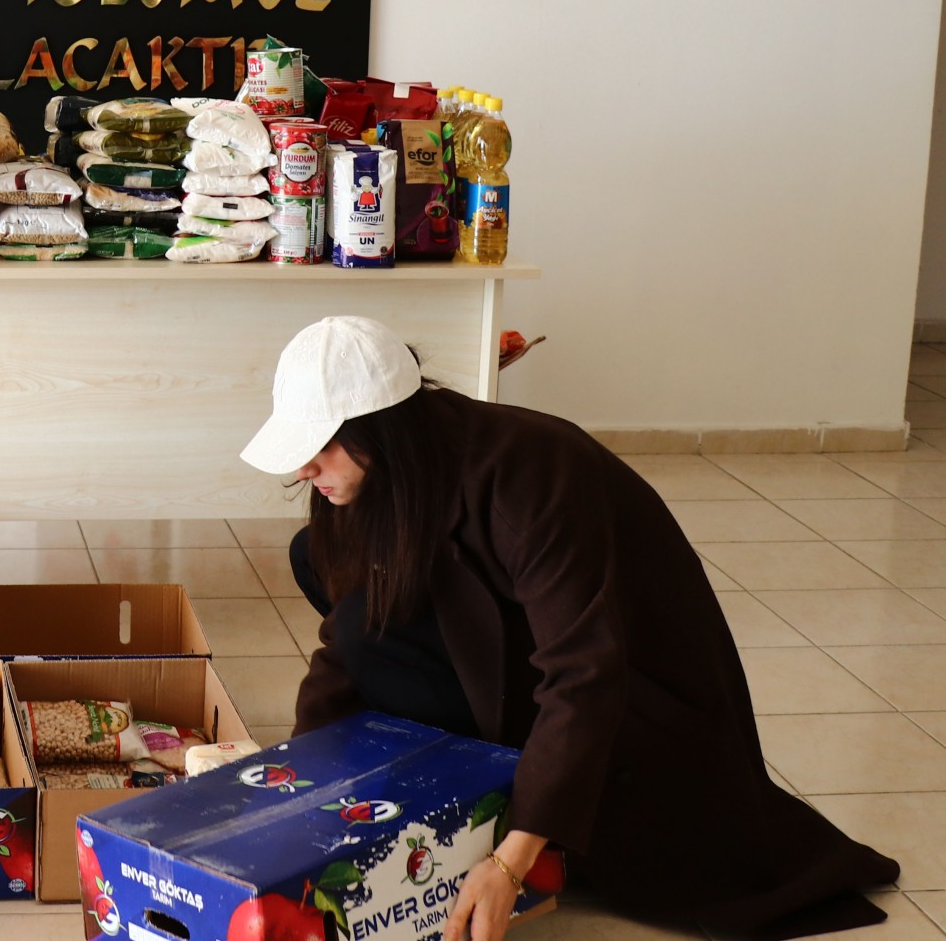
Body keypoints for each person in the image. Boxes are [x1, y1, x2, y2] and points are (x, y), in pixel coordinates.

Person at [241, 317, 900, 941]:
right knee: (330, 572)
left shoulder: (533, 472)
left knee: (372, 612)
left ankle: (524, 786)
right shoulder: (392, 468)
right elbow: (345, 641)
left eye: (320, 448)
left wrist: (510, 859)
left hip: (638, 703)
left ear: (381, 431)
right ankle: (482, 764)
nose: (306, 470)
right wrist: (298, 782)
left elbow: (586, 671)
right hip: (520, 651)